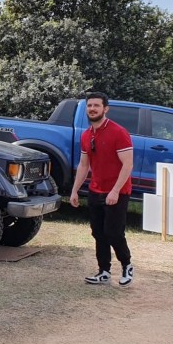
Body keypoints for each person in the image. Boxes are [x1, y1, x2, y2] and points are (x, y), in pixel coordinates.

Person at [69, 92, 135, 287]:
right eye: (89, 105)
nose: (92, 109)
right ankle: (104, 271)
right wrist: (75, 190)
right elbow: (84, 165)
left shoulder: (118, 132)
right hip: (95, 191)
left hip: (117, 192)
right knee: (98, 233)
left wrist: (115, 191)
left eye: (96, 105)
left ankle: (127, 265)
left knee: (114, 232)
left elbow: (128, 164)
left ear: (105, 109)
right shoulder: (86, 135)